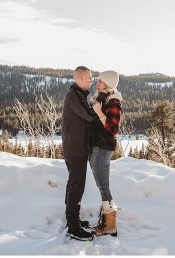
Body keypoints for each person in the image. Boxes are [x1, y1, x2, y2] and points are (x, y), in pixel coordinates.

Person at [62, 66, 97, 241]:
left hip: (75, 146)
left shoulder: (79, 94)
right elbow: (89, 116)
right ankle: (73, 228)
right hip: (75, 148)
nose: (92, 80)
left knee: (73, 184)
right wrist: (100, 111)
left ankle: (72, 220)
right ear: (81, 78)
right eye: (90, 78)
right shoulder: (73, 96)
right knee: (77, 186)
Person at [89, 70, 122, 237]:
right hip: (97, 147)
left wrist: (99, 113)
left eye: (100, 81)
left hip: (102, 148)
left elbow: (113, 129)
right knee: (102, 185)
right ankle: (107, 220)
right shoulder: (103, 99)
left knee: (103, 186)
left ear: (108, 84)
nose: (97, 82)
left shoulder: (113, 103)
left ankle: (110, 225)